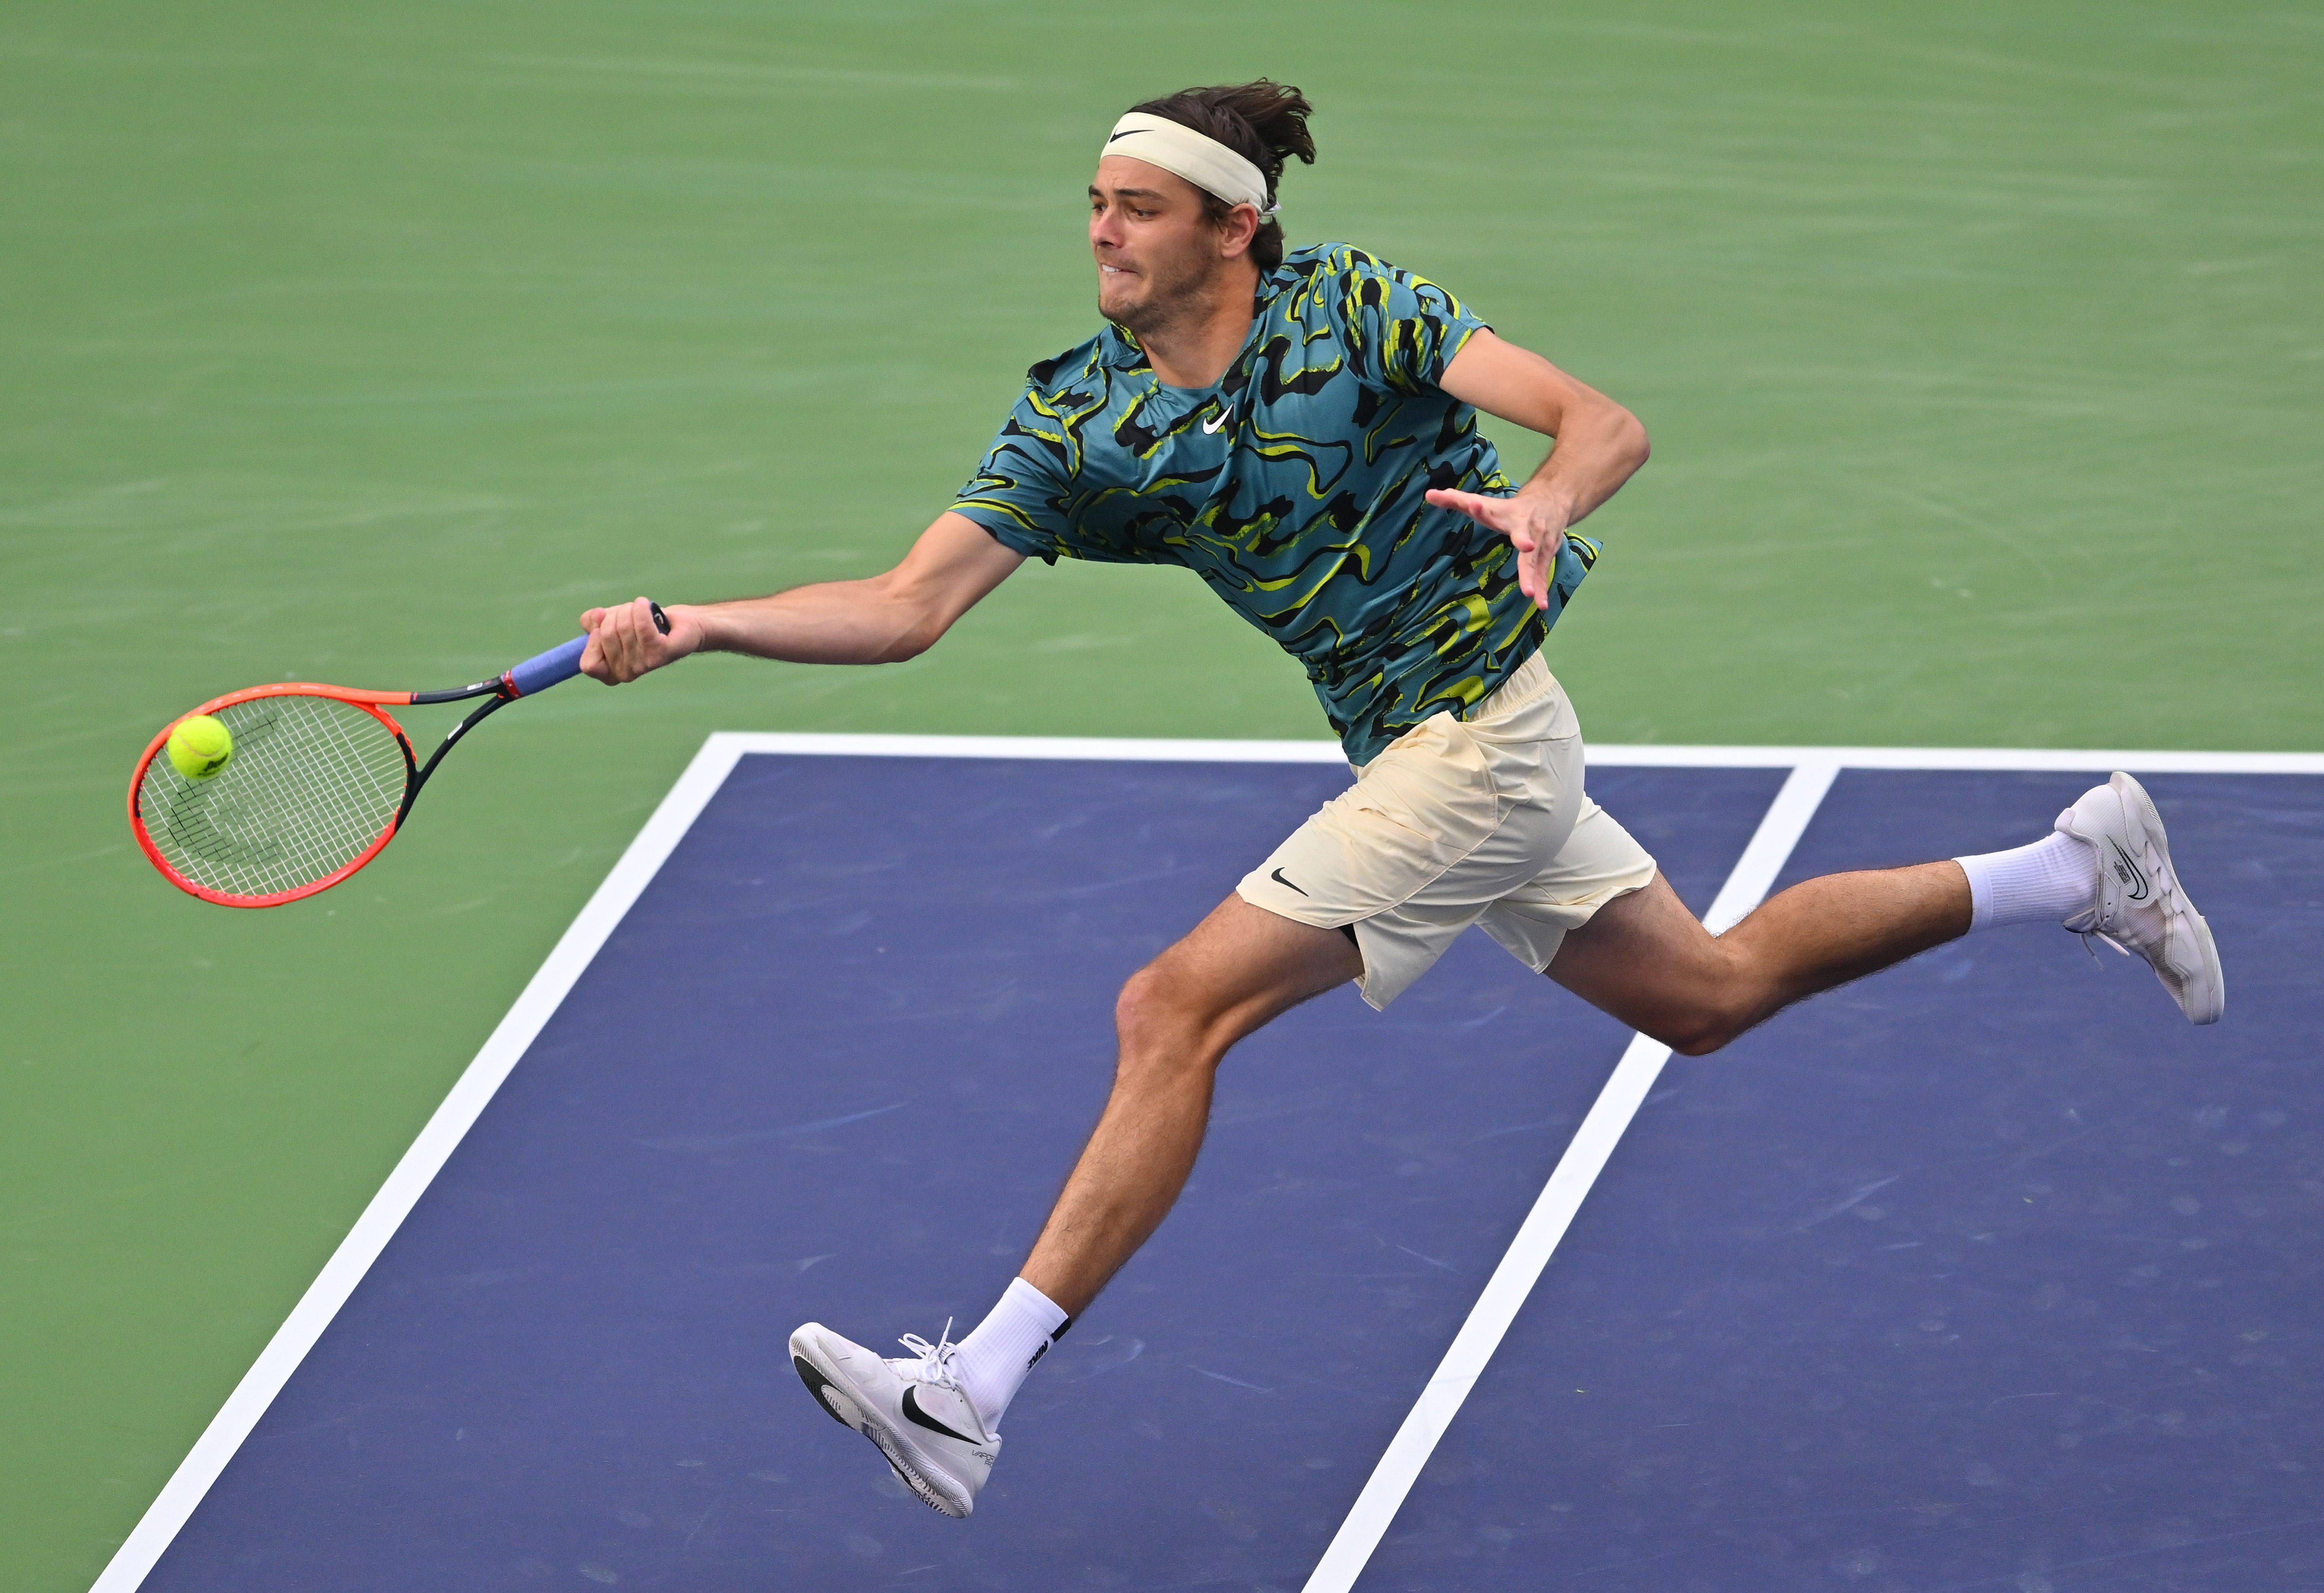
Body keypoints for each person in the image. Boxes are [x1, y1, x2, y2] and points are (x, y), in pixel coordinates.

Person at [577, 80, 2222, 1519]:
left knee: (1175, 1009)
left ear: (1235, 228)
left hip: (1482, 737)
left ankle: (973, 1395)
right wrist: (706, 624)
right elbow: (908, 604)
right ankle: (2079, 868)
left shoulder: (1357, 309)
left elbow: (1602, 422)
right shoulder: (1080, 414)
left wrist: (1548, 500)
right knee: (1708, 994)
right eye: (1093, 205)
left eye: (1137, 209)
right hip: (1417, 749)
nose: (1102, 233)